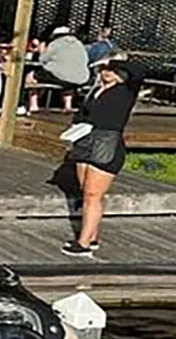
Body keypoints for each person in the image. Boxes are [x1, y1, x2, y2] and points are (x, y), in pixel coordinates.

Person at [62, 53, 146, 257]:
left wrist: (112, 61)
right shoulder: (95, 90)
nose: (106, 73)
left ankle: (82, 243)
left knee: (93, 194)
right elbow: (82, 114)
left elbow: (139, 72)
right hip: (86, 138)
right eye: (103, 69)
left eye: (111, 70)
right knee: (86, 191)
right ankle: (92, 237)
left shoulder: (126, 90)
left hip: (107, 141)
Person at [26, 26, 90, 113]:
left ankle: (33, 105)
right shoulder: (79, 44)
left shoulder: (56, 44)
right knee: (68, 82)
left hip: (60, 76)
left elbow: (42, 59)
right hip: (81, 78)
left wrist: (41, 50)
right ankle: (68, 105)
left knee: (32, 76)